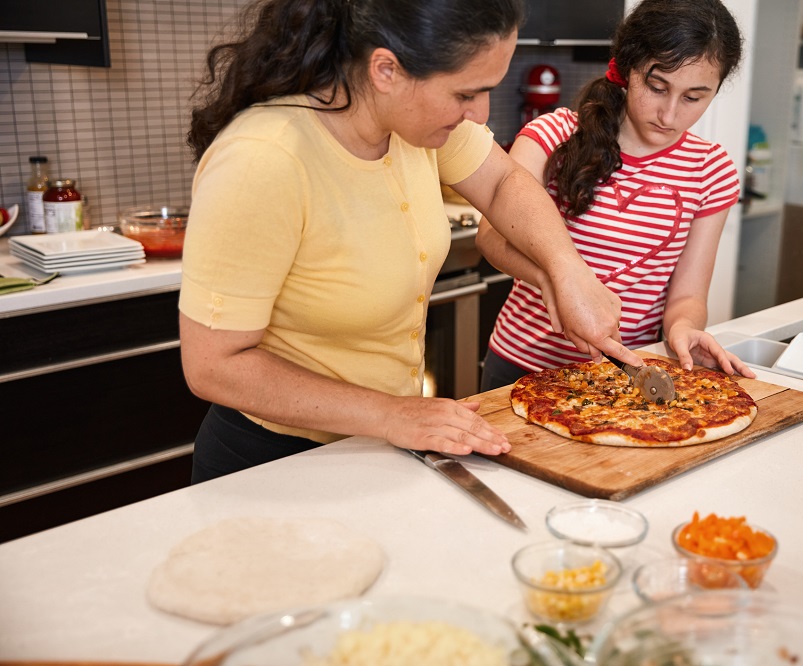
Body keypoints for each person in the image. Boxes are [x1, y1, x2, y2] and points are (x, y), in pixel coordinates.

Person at [178, 0, 646, 483]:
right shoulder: (262, 161)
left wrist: (567, 270)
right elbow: (213, 365)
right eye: (466, 92)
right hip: (272, 462)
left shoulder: (407, 124)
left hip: (378, 447)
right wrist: (391, 414)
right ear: (386, 70)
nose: (479, 112)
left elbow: (505, 182)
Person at [477, 0, 757, 392]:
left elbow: (689, 295)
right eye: (657, 87)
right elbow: (490, 235)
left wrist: (684, 329)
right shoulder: (554, 135)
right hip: (523, 362)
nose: (670, 114)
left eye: (694, 97)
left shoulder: (710, 170)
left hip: (625, 374)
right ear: (627, 69)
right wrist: (562, 281)